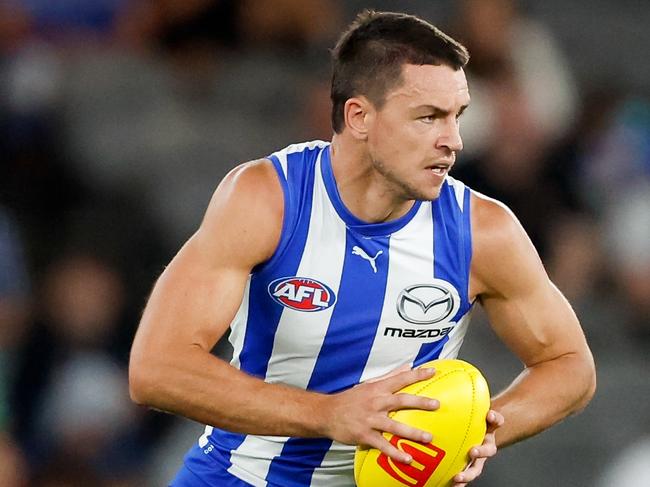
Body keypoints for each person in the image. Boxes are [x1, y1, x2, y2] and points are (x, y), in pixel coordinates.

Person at [128, 10, 596, 487]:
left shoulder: (483, 230)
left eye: (458, 116)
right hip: (240, 477)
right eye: (428, 117)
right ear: (359, 117)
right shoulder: (267, 200)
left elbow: (569, 366)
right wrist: (329, 414)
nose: (452, 140)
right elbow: (158, 369)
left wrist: (482, 429)